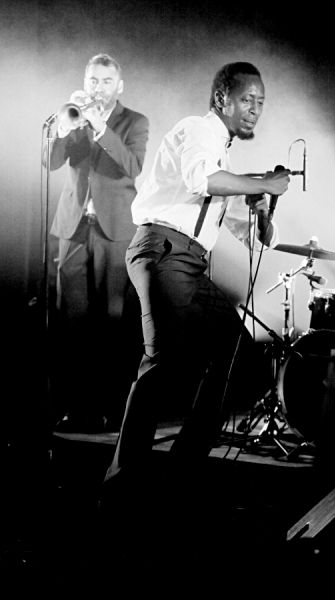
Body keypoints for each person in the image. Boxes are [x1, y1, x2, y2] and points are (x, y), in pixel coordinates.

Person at [100, 62, 290, 552]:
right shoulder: (198, 131)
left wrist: (262, 211)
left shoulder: (221, 152)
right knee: (160, 365)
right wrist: (261, 182)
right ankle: (119, 491)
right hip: (163, 251)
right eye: (247, 100)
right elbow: (204, 180)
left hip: (186, 261)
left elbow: (246, 231)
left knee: (237, 355)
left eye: (261, 103)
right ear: (223, 98)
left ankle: (180, 475)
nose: (255, 110)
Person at [48, 53, 149, 432]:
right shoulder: (74, 117)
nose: (98, 88)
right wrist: (64, 129)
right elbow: (50, 163)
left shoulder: (134, 121)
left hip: (115, 230)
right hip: (74, 228)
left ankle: (110, 408)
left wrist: (101, 126)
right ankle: (74, 407)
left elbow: (133, 166)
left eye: (106, 81)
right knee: (71, 321)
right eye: (93, 80)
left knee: (111, 322)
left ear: (119, 86)